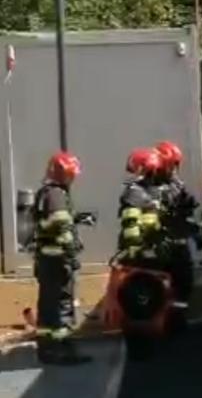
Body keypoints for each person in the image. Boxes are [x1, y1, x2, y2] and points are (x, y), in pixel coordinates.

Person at [31, 152, 93, 365]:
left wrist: (77, 218)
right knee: (62, 305)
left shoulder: (46, 193)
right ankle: (62, 350)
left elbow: (51, 223)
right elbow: (60, 225)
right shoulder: (56, 194)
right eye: (70, 174)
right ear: (61, 173)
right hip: (58, 260)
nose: (72, 178)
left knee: (48, 306)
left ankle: (48, 349)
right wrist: (71, 253)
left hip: (47, 259)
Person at [154, 141, 200, 324]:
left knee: (184, 282)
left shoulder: (178, 185)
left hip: (179, 244)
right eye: (170, 165)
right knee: (162, 284)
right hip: (161, 245)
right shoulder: (151, 186)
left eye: (175, 165)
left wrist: (196, 233)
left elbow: (188, 213)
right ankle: (162, 318)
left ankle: (178, 319)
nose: (173, 169)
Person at [117, 148, 164, 261]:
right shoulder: (135, 192)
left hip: (152, 247)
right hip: (143, 251)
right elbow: (131, 225)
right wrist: (136, 248)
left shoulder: (149, 190)